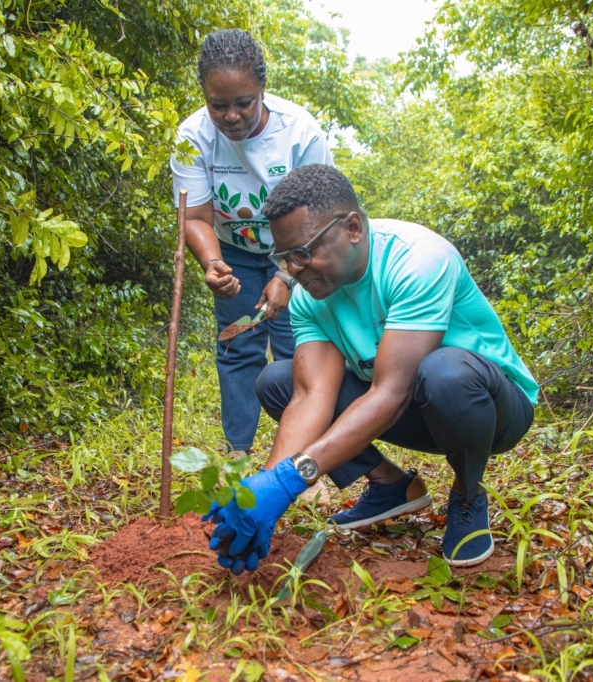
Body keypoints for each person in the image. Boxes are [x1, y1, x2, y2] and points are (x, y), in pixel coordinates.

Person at [205, 165, 538, 573]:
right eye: (284, 257)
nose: (293, 269)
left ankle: (467, 495)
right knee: (278, 381)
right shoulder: (311, 295)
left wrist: (295, 478)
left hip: (487, 407)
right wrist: (265, 493)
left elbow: (391, 392)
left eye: (304, 253)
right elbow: (312, 396)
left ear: (353, 228)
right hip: (410, 408)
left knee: (444, 372)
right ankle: (391, 485)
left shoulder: (418, 260)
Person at [170, 29, 334, 465]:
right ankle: (237, 457)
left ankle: (299, 461)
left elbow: (320, 223)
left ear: (262, 88)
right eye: (218, 105)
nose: (231, 116)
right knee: (237, 347)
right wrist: (213, 264)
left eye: (244, 102)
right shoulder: (191, 137)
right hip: (233, 252)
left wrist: (285, 275)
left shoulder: (300, 133)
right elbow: (196, 216)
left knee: (298, 350)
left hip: (299, 252)